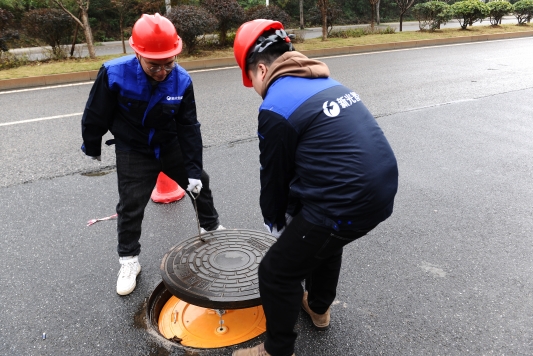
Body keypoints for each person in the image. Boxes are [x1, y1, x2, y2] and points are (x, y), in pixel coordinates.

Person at [231, 19, 399, 356]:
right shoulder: (325, 81)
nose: (254, 88)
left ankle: (276, 350)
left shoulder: (276, 104)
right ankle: (319, 308)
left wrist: (275, 220)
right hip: (381, 189)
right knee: (323, 243)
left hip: (345, 201)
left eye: (251, 80)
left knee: (277, 271)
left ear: (261, 70)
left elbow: (275, 176)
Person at [81, 13, 224, 296]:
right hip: (134, 149)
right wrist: (92, 145)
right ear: (137, 54)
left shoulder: (181, 80)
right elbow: (96, 112)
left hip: (170, 146)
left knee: (201, 185)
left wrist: (194, 169)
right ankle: (129, 260)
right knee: (131, 205)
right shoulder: (113, 73)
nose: (162, 72)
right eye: (154, 65)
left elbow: (189, 126)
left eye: (168, 64)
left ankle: (211, 228)